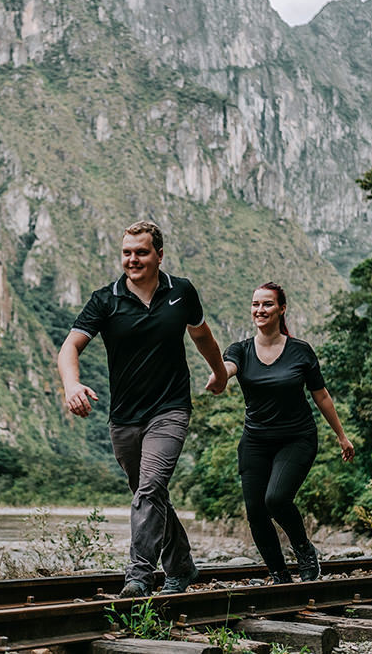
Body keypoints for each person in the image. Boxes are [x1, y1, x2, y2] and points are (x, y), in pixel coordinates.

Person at [58, 221, 228, 597]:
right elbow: (70, 347)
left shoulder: (181, 292)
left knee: (149, 488)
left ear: (159, 255)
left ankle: (138, 576)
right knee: (149, 493)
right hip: (124, 418)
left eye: (141, 252)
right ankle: (182, 565)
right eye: (126, 252)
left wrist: (219, 373)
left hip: (170, 409)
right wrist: (72, 384)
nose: (132, 259)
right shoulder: (106, 300)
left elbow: (202, 336)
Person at [212, 281, 354, 583]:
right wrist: (218, 376)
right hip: (255, 441)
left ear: (281, 309)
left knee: (275, 499)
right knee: (255, 511)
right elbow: (227, 369)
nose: (259, 310)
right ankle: (279, 576)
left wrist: (342, 436)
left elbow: (321, 396)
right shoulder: (240, 350)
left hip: (296, 438)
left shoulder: (300, 351)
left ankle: (303, 548)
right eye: (255, 304)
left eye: (267, 304)